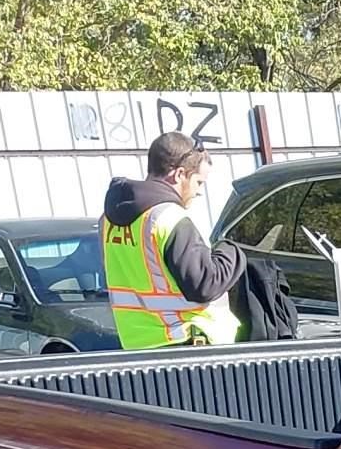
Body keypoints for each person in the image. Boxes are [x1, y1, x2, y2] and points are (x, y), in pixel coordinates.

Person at [102, 132, 244, 350]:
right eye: (198, 182)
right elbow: (205, 285)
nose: (198, 193)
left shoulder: (108, 220)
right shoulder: (169, 218)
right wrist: (231, 251)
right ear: (179, 175)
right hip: (184, 340)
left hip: (137, 344)